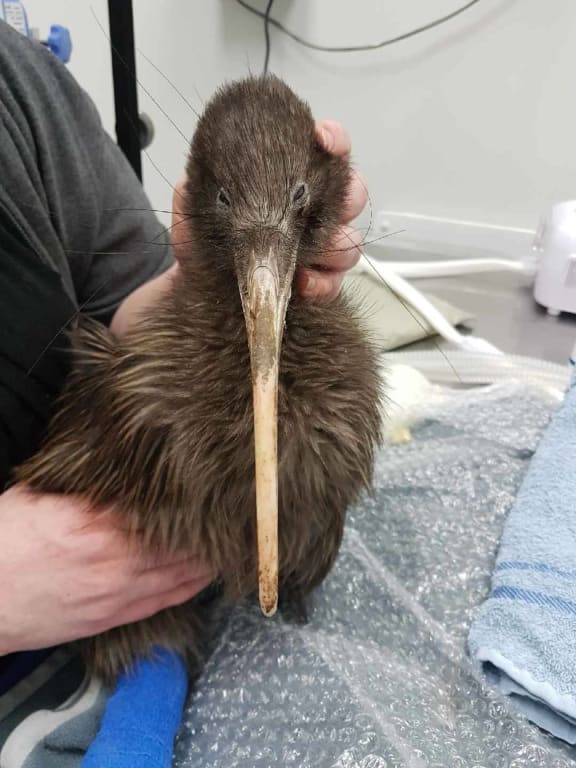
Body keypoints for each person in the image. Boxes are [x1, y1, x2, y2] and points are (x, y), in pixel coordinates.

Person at [0, 16, 367, 753]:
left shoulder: (20, 84)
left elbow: (122, 305)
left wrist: (209, 275)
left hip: (136, 579)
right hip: (79, 626)